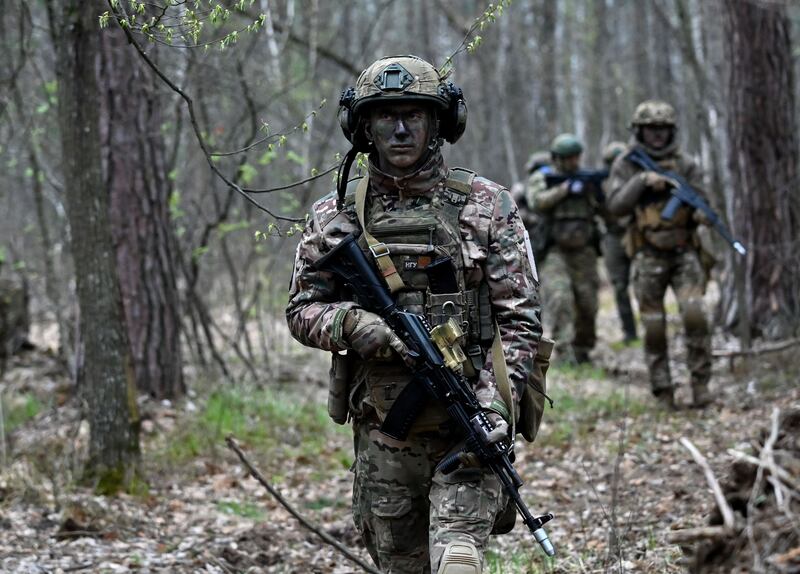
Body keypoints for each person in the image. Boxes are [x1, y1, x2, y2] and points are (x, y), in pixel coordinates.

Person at [285, 55, 543, 573]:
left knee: (458, 558)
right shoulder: (333, 216)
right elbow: (301, 309)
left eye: (414, 115)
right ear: (363, 127)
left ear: (439, 122)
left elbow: (521, 322)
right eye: (386, 117)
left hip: (468, 422)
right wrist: (358, 326)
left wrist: (496, 407)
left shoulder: (487, 207)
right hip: (385, 433)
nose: (400, 130)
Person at [606, 100, 712, 408]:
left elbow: (704, 200)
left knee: (695, 315)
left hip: (684, 250)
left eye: (663, 129)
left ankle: (701, 384)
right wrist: (641, 181)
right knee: (653, 325)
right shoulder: (627, 164)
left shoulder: (686, 163)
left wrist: (702, 213)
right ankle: (662, 390)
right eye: (651, 129)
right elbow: (615, 205)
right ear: (639, 130)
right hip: (647, 252)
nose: (657, 135)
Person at [526, 134, 601, 364]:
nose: (573, 162)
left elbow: (607, 208)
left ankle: (583, 349)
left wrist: (593, 191)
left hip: (584, 251)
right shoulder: (544, 177)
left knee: (588, 302)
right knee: (560, 298)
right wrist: (564, 190)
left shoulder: (587, 178)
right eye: (568, 158)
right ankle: (565, 353)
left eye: (576, 157)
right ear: (557, 158)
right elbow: (536, 202)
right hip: (554, 251)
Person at [600, 141, 638, 344]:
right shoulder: (601, 184)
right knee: (620, 286)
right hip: (614, 237)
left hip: (636, 232)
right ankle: (630, 332)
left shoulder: (632, 180)